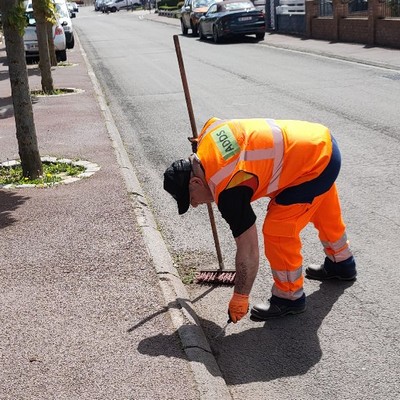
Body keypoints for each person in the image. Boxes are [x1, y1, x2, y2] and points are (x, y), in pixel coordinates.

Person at [163, 117, 357, 322]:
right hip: (319, 143)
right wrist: (198, 141)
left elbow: (248, 250)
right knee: (322, 205)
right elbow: (214, 123)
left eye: (191, 199)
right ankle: (341, 262)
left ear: (195, 181)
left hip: (314, 165)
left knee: (277, 230)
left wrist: (240, 296)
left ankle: (289, 296)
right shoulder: (208, 135)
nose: (194, 205)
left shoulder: (227, 188)